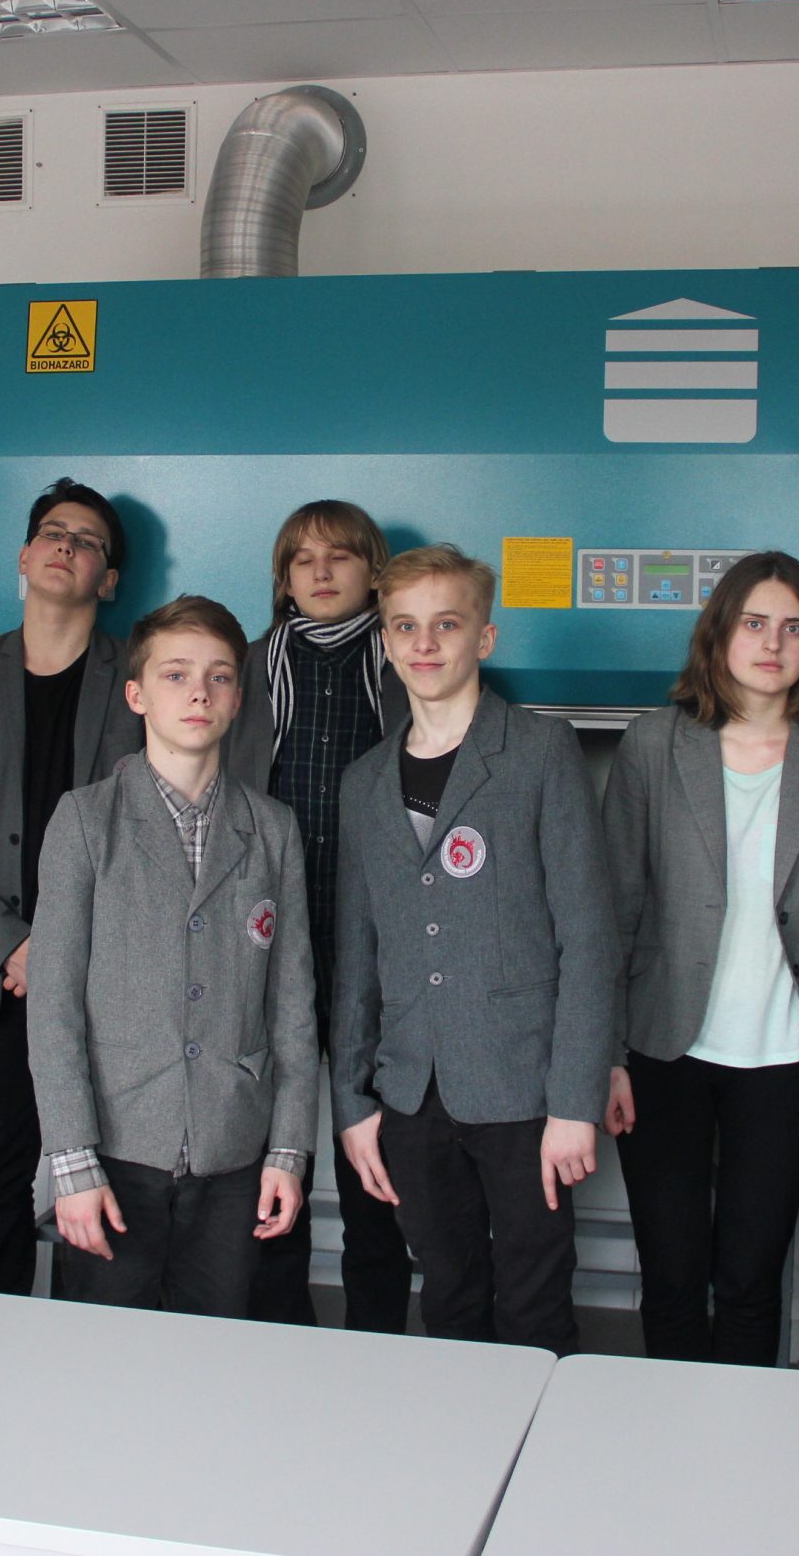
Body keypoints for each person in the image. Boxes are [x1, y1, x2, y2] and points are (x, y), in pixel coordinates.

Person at [330, 545, 619, 1354]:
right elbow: (356, 957)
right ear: (385, 642)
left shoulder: (540, 752)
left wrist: (575, 1103)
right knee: (448, 1302)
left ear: (484, 637)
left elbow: (588, 938)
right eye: (405, 626)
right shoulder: (364, 781)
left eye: (446, 624)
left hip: (524, 1090)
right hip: (410, 1092)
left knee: (534, 1304)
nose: (424, 643)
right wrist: (352, 1102)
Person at [601, 551, 799, 1365]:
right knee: (672, 1274)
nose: (772, 643)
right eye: (754, 623)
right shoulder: (655, 743)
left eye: (793, 627)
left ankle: (743, 1434)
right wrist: (607, 1054)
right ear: (720, 632)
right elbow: (615, 906)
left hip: (789, 1056)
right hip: (663, 1049)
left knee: (753, 1277)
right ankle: (675, 1432)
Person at [28, 595, 319, 1314]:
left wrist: (288, 1151)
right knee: (107, 1350)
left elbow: (292, 1006)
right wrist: (71, 1161)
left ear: (238, 699)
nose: (199, 692)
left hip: (232, 1147)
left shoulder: (273, 829)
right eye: (176, 674)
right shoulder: (86, 820)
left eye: (220, 676)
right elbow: (53, 1007)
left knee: (217, 1348)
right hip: (114, 1145)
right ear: (137, 695)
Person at [0, 479, 144, 1295]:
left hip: (105, 976)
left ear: (107, 579)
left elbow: (144, 829)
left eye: (87, 540)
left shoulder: (136, 679)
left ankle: (87, 1340)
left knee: (104, 1178)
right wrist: (14, 943)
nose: (66, 545)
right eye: (52, 531)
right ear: (23, 554)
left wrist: (64, 948)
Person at [226, 499, 415, 1331]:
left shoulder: (406, 658)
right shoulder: (247, 667)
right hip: (272, 939)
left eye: (340, 555)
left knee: (377, 1147)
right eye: (303, 559)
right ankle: (281, 1330)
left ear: (374, 570)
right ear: (283, 578)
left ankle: (376, 1332)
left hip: (378, 941)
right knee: (274, 1141)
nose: (322, 570)